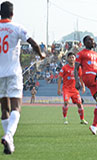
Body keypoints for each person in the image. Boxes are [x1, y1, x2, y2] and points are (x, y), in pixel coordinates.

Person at [0, 1, 45, 154]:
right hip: (13, 72)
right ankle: (9, 135)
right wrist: (41, 54)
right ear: (12, 14)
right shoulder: (17, 27)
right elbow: (33, 43)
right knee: (16, 107)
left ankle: (9, 143)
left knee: (4, 109)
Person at [74, 35, 97, 135]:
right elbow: (76, 68)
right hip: (87, 75)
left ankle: (94, 126)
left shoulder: (96, 55)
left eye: (93, 40)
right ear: (85, 43)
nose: (92, 42)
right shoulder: (81, 54)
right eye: (89, 40)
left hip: (94, 79)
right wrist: (77, 80)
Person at [57, 52, 88, 125]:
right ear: (67, 59)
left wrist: (83, 87)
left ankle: (82, 119)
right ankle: (65, 118)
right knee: (66, 102)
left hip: (75, 89)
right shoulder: (64, 68)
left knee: (79, 104)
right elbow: (60, 78)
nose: (71, 59)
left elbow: (81, 78)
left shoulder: (78, 68)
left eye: (73, 57)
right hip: (66, 89)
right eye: (70, 57)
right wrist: (59, 89)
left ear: (75, 59)